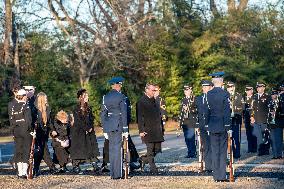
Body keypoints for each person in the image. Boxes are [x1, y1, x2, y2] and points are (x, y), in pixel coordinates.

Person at [204, 71, 231, 182]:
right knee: (222, 151)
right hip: (223, 125)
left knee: (214, 151)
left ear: (212, 82)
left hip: (212, 125)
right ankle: (222, 175)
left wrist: (207, 124)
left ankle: (216, 177)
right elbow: (226, 112)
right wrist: (228, 126)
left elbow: (206, 111)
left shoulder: (208, 94)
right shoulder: (225, 94)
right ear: (222, 81)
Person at [100, 77, 128, 179]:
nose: (120, 87)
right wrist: (125, 129)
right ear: (117, 85)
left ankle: (112, 174)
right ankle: (118, 174)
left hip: (109, 126)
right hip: (119, 125)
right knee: (118, 150)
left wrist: (104, 129)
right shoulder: (121, 97)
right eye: (120, 85)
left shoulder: (105, 97)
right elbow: (124, 114)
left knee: (112, 150)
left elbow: (103, 114)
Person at [70, 89, 100, 174]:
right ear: (81, 97)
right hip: (79, 132)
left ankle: (94, 164)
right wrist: (86, 128)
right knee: (79, 149)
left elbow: (91, 119)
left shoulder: (89, 108)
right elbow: (78, 121)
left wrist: (90, 127)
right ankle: (76, 165)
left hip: (89, 131)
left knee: (91, 147)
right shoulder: (76, 108)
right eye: (85, 96)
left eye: (87, 96)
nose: (87, 97)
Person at [137, 83, 164, 174]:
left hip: (157, 130)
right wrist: (141, 130)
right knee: (150, 150)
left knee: (157, 149)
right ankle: (153, 169)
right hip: (147, 130)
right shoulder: (141, 101)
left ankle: (143, 159)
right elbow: (140, 117)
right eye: (153, 90)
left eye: (155, 90)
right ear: (147, 90)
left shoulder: (155, 100)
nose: (154, 92)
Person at [8, 89, 33, 179]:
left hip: (16, 130)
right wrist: (31, 130)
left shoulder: (14, 106)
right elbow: (28, 120)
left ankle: (20, 172)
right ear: (23, 96)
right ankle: (25, 172)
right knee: (26, 150)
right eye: (25, 95)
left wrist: (13, 131)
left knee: (19, 150)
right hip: (25, 130)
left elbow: (12, 120)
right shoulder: (26, 106)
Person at [33, 92, 58, 176]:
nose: (47, 99)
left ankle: (38, 169)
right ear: (41, 99)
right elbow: (33, 121)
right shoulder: (35, 109)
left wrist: (53, 130)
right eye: (45, 98)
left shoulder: (48, 108)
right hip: (37, 133)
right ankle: (49, 167)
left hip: (44, 133)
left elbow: (49, 122)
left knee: (43, 150)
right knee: (41, 151)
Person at [196, 80, 213, 173]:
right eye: (203, 86)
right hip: (202, 126)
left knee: (213, 146)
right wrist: (197, 124)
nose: (204, 88)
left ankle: (215, 166)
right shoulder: (198, 98)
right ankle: (208, 167)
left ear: (210, 87)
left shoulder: (213, 98)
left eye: (206, 86)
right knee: (206, 146)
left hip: (212, 125)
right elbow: (195, 112)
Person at [178, 84, 198, 158]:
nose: (185, 91)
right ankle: (189, 152)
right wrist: (180, 122)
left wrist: (189, 109)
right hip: (184, 122)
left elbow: (197, 110)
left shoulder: (194, 99)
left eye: (187, 90)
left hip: (191, 121)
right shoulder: (183, 99)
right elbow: (181, 112)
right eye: (184, 90)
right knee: (186, 138)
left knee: (191, 138)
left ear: (190, 90)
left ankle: (193, 152)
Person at [251, 82, 270, 156]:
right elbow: (252, 108)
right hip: (256, 120)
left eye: (261, 87)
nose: (259, 89)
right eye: (258, 87)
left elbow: (270, 108)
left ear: (264, 88)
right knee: (258, 136)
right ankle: (260, 151)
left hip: (264, 120)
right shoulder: (254, 96)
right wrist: (252, 116)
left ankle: (266, 150)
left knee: (265, 136)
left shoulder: (267, 96)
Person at [226, 81, 243, 159]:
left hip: (236, 119)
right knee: (228, 137)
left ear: (234, 87)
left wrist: (234, 110)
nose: (230, 88)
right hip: (227, 120)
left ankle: (237, 153)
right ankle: (230, 153)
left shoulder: (238, 95)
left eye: (231, 86)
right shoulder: (224, 96)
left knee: (236, 137)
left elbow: (242, 107)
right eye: (229, 87)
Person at [267, 89, 283, 159]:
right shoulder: (270, 103)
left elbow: (282, 113)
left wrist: (276, 113)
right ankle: (275, 154)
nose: (274, 95)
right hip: (271, 123)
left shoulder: (280, 103)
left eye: (275, 94)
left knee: (279, 139)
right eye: (273, 94)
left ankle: (279, 154)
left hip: (278, 123)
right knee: (272, 139)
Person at [243, 85, 257, 153]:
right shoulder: (243, 98)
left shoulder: (255, 98)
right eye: (247, 90)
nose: (248, 91)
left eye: (250, 90)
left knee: (253, 133)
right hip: (246, 118)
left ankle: (254, 148)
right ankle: (250, 148)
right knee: (248, 134)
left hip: (253, 118)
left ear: (252, 91)